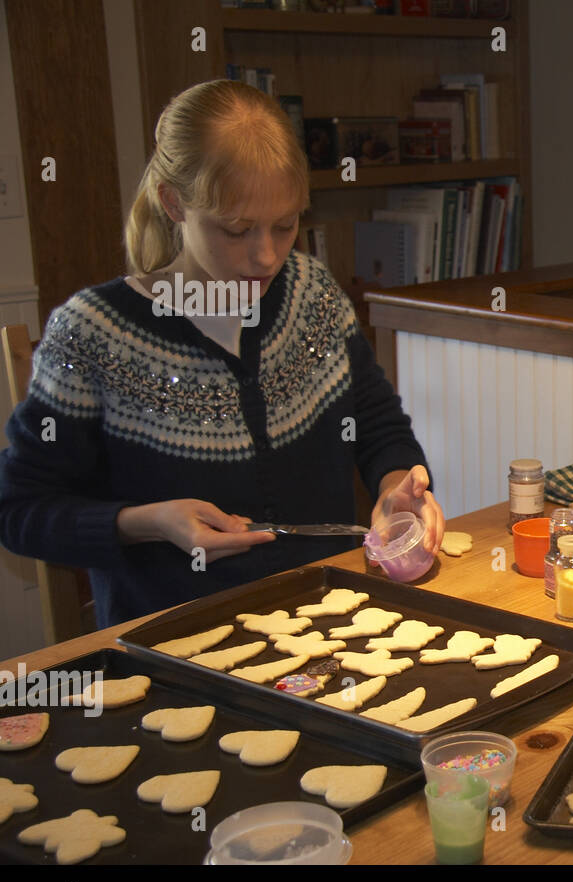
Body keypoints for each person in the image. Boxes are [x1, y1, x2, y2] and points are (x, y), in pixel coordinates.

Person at [0, 79, 444, 629]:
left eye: (286, 226)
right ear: (173, 203)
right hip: (173, 651)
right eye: (236, 230)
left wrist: (396, 491)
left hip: (330, 626)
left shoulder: (312, 294)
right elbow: (20, 511)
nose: (265, 256)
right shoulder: (93, 334)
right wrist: (147, 522)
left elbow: (376, 424)